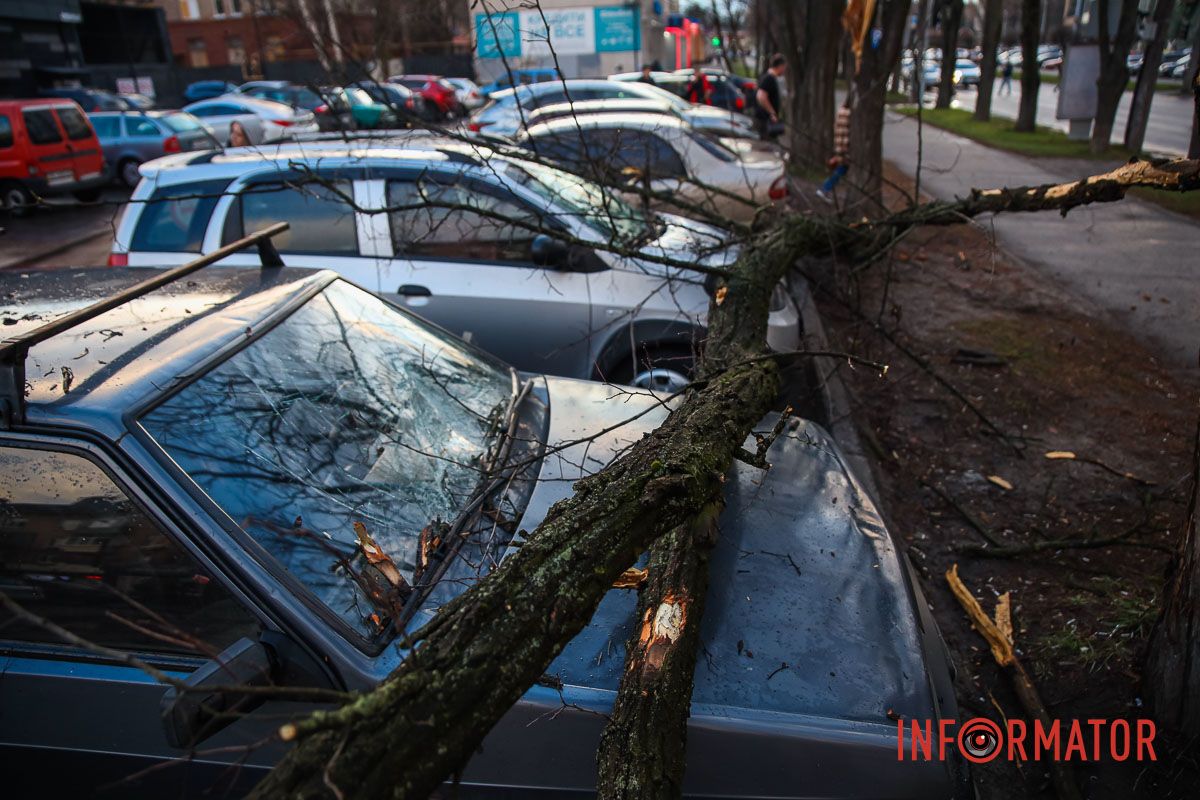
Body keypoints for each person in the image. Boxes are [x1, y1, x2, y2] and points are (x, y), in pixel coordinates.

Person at [816, 98, 851, 203]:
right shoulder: (850, 114)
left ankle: (825, 188)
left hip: (839, 145)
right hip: (846, 147)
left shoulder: (841, 112)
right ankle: (825, 188)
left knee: (841, 168)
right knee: (842, 169)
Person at [755, 53, 786, 140]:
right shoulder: (769, 78)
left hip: (767, 120)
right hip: (766, 120)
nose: (784, 70)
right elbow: (761, 96)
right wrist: (772, 113)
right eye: (784, 67)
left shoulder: (769, 77)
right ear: (780, 66)